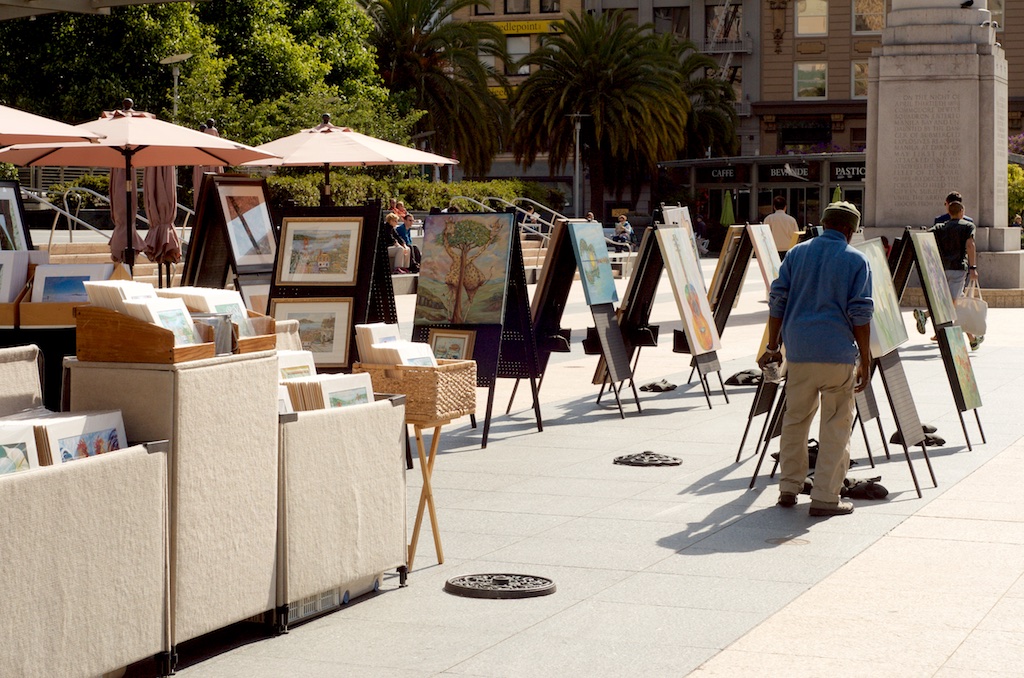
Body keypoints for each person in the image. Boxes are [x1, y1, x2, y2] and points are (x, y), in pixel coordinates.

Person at [759, 201, 873, 517]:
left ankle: (788, 488)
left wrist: (772, 346)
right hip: (836, 355)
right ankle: (824, 497)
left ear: (824, 223)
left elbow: (777, 301)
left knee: (795, 420)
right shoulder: (856, 260)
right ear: (850, 230)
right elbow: (860, 314)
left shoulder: (797, 254)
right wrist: (865, 358)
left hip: (798, 352)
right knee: (836, 424)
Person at [930, 201, 982, 348]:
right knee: (954, 302)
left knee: (954, 300)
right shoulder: (968, 227)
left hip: (942, 268)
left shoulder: (940, 227)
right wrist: (973, 267)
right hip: (959, 269)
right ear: (962, 212)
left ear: (949, 212)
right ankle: (927, 315)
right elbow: (970, 245)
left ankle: (972, 339)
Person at [763, 195, 799, 260]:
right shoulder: (791, 219)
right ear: (785, 207)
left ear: (774, 207)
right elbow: (796, 235)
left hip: (773, 248)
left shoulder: (768, 219)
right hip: (788, 248)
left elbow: (764, 235)